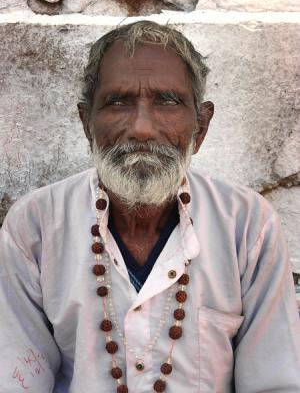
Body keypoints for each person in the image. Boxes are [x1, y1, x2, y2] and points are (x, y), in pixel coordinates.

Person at [0, 20, 299, 393]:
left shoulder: (248, 225)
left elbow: (276, 381)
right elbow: (16, 377)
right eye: (118, 101)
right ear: (86, 123)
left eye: (168, 101)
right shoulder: (34, 227)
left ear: (201, 126)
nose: (142, 128)